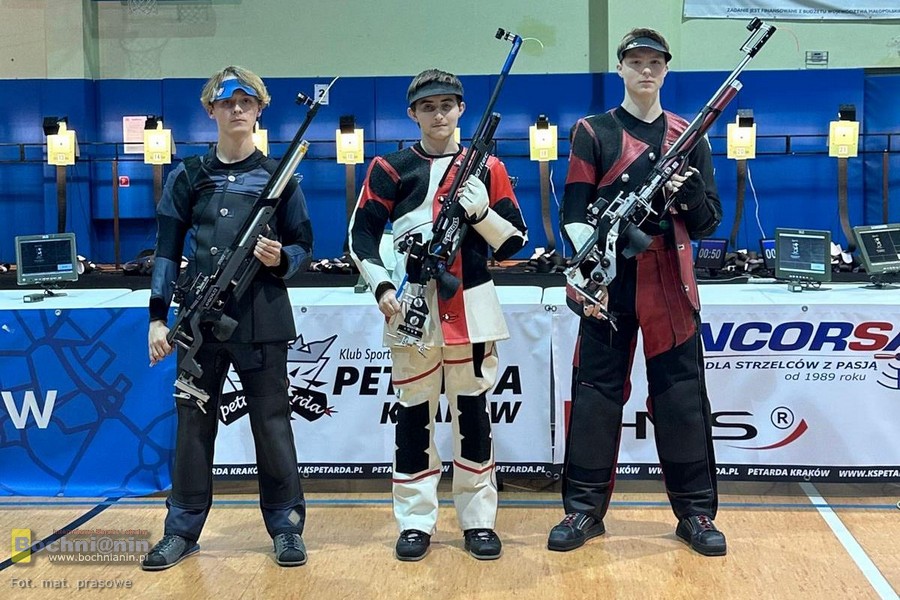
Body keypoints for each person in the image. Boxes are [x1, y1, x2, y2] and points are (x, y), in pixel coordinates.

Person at [548, 29, 726, 557]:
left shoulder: (690, 136)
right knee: (595, 396)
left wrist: (690, 195)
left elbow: (709, 221)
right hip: (610, 281)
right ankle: (583, 511)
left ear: (666, 69)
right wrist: (593, 266)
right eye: (636, 62)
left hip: (669, 279)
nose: (646, 70)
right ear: (621, 68)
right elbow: (574, 211)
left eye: (655, 62)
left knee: (681, 400)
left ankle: (695, 513)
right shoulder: (593, 131)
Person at [348, 69, 528, 562]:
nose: (439, 114)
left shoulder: (487, 167)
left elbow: (514, 241)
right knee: (413, 421)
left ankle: (478, 520)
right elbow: (361, 236)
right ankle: (414, 521)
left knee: (473, 421)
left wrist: (481, 214)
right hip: (412, 311)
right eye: (428, 107)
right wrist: (382, 285)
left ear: (461, 109)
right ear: (412, 113)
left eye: (447, 104)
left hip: (473, 312)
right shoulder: (390, 168)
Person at [143, 66, 313, 570]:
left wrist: (280, 259)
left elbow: (305, 246)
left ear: (259, 109)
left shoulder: (280, 178)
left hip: (262, 321)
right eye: (226, 102)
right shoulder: (187, 176)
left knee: (272, 425)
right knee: (192, 428)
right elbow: (166, 252)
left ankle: (286, 526)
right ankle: (181, 529)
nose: (237, 109)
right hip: (196, 323)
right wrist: (157, 319)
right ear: (210, 110)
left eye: (246, 102)